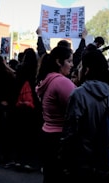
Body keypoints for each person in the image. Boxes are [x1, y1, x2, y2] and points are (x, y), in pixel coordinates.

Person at [64, 44, 109, 183]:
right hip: (104, 159)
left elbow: (71, 131)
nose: (78, 70)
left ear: (86, 70)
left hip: (82, 161)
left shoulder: (79, 94)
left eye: (80, 67)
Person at [35, 46, 76, 183]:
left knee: (51, 175)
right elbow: (78, 107)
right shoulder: (61, 81)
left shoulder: (49, 79)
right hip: (60, 137)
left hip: (48, 134)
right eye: (69, 61)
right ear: (59, 62)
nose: (72, 65)